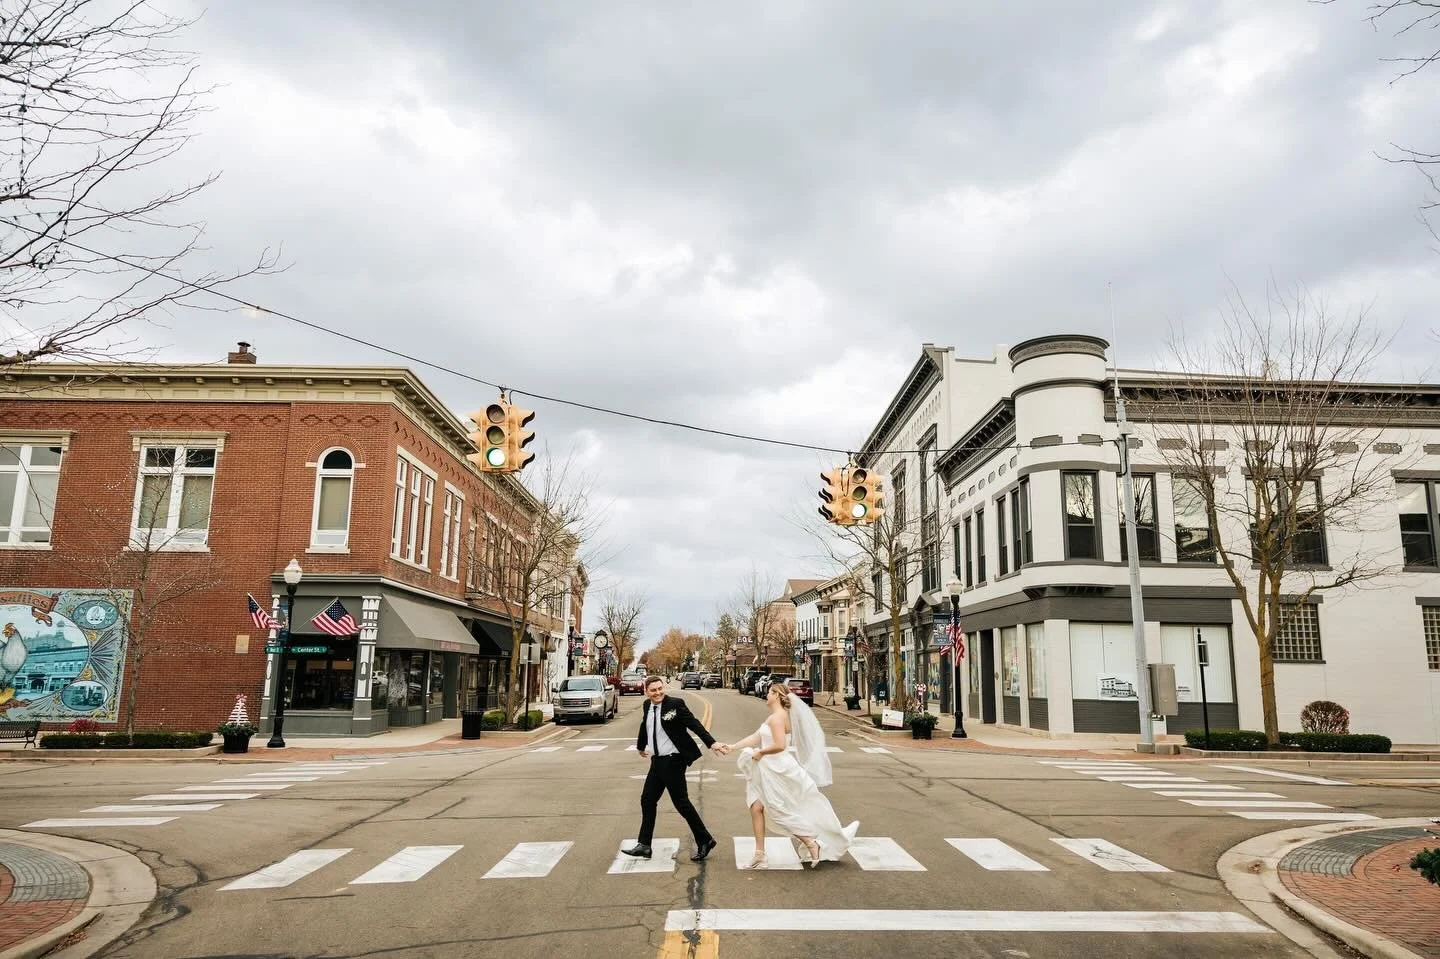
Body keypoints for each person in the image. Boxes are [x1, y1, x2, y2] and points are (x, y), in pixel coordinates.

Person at [718, 681, 859, 870]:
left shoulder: (778, 718)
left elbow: (780, 745)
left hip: (775, 768)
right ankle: (760, 854)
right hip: (768, 767)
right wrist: (733, 747)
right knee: (756, 807)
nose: (767, 694)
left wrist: (760, 752)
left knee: (777, 810)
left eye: (770, 692)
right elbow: (757, 736)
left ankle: (811, 842)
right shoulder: (775, 716)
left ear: (777, 695)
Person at [622, 675, 725, 862]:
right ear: (646, 692)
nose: (658, 693)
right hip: (657, 761)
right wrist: (640, 746)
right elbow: (645, 725)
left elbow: (694, 724)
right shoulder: (647, 706)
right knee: (647, 800)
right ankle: (644, 845)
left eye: (660, 688)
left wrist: (712, 743)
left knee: (681, 803)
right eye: (653, 690)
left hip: (673, 760)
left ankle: (705, 839)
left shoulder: (675, 704)